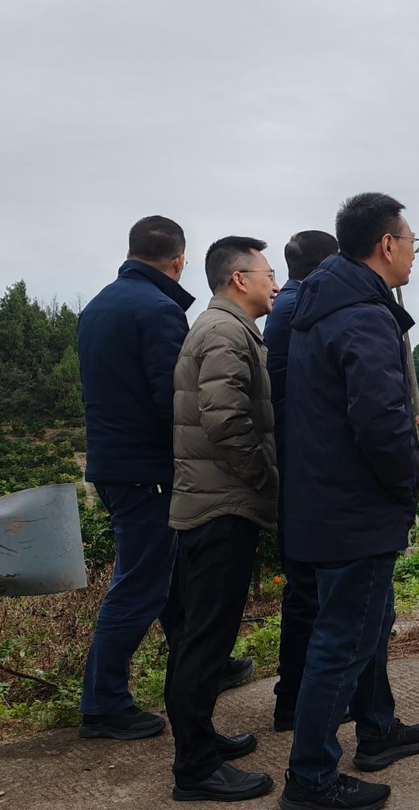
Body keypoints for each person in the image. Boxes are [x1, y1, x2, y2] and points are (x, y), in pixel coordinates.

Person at [279, 193, 419, 810]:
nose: (414, 254)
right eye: (412, 243)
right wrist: (405, 487)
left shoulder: (319, 304)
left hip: (321, 498)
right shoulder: (364, 316)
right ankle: (311, 777)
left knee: (365, 623)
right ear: (387, 245)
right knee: (343, 639)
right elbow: (380, 420)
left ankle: (377, 728)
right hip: (355, 506)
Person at [166, 236, 279, 801]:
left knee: (200, 635)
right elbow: (226, 420)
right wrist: (264, 477)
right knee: (205, 639)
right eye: (268, 273)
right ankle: (195, 768)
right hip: (221, 505)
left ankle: (201, 738)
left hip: (213, 500)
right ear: (239, 279)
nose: (274, 283)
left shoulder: (228, 329)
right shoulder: (224, 333)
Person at [76, 216, 196, 741]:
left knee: (168, 575)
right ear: (179, 260)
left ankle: (200, 663)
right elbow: (173, 399)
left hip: (113, 463)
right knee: (141, 585)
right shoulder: (158, 309)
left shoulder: (98, 306)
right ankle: (104, 703)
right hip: (146, 469)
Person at [263, 230, 341, 732]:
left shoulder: (287, 305)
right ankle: (296, 699)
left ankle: (294, 696)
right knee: (310, 592)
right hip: (305, 467)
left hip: (292, 463)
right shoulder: (302, 309)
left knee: (304, 589)